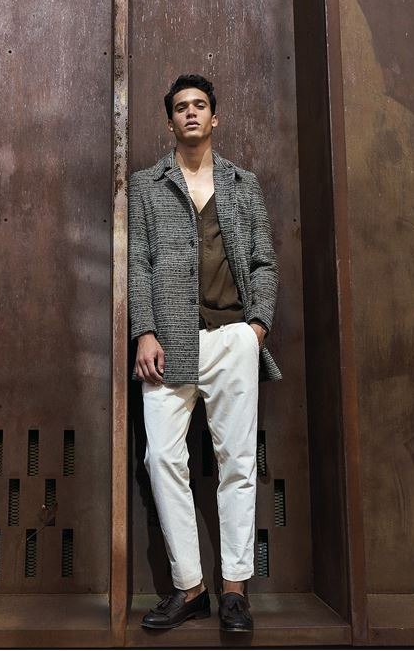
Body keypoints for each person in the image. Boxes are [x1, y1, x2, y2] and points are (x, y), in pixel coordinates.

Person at [128, 74, 282, 632]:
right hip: (168, 343)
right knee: (161, 460)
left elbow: (264, 261)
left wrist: (256, 327)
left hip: (233, 337)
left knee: (237, 462)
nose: (190, 113)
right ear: (170, 121)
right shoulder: (146, 186)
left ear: (214, 117)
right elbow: (137, 262)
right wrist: (145, 331)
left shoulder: (243, 184)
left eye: (199, 105)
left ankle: (235, 590)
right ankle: (190, 588)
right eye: (180, 107)